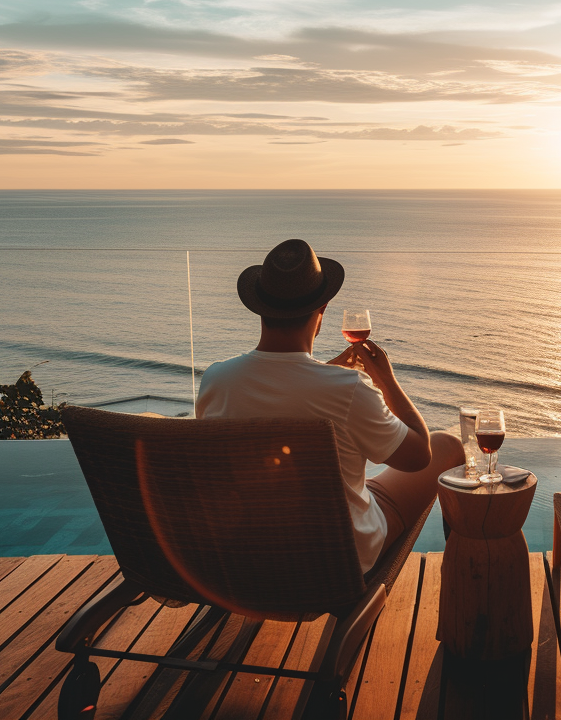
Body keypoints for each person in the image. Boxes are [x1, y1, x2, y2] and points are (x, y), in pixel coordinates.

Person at [196, 239, 463, 574]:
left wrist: (325, 371)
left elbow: (281, 396)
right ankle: (463, 570)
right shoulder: (348, 390)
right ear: (321, 310)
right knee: (446, 445)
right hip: (336, 561)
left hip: (248, 556)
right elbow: (417, 457)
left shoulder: (217, 381)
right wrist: (386, 381)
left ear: (260, 308)